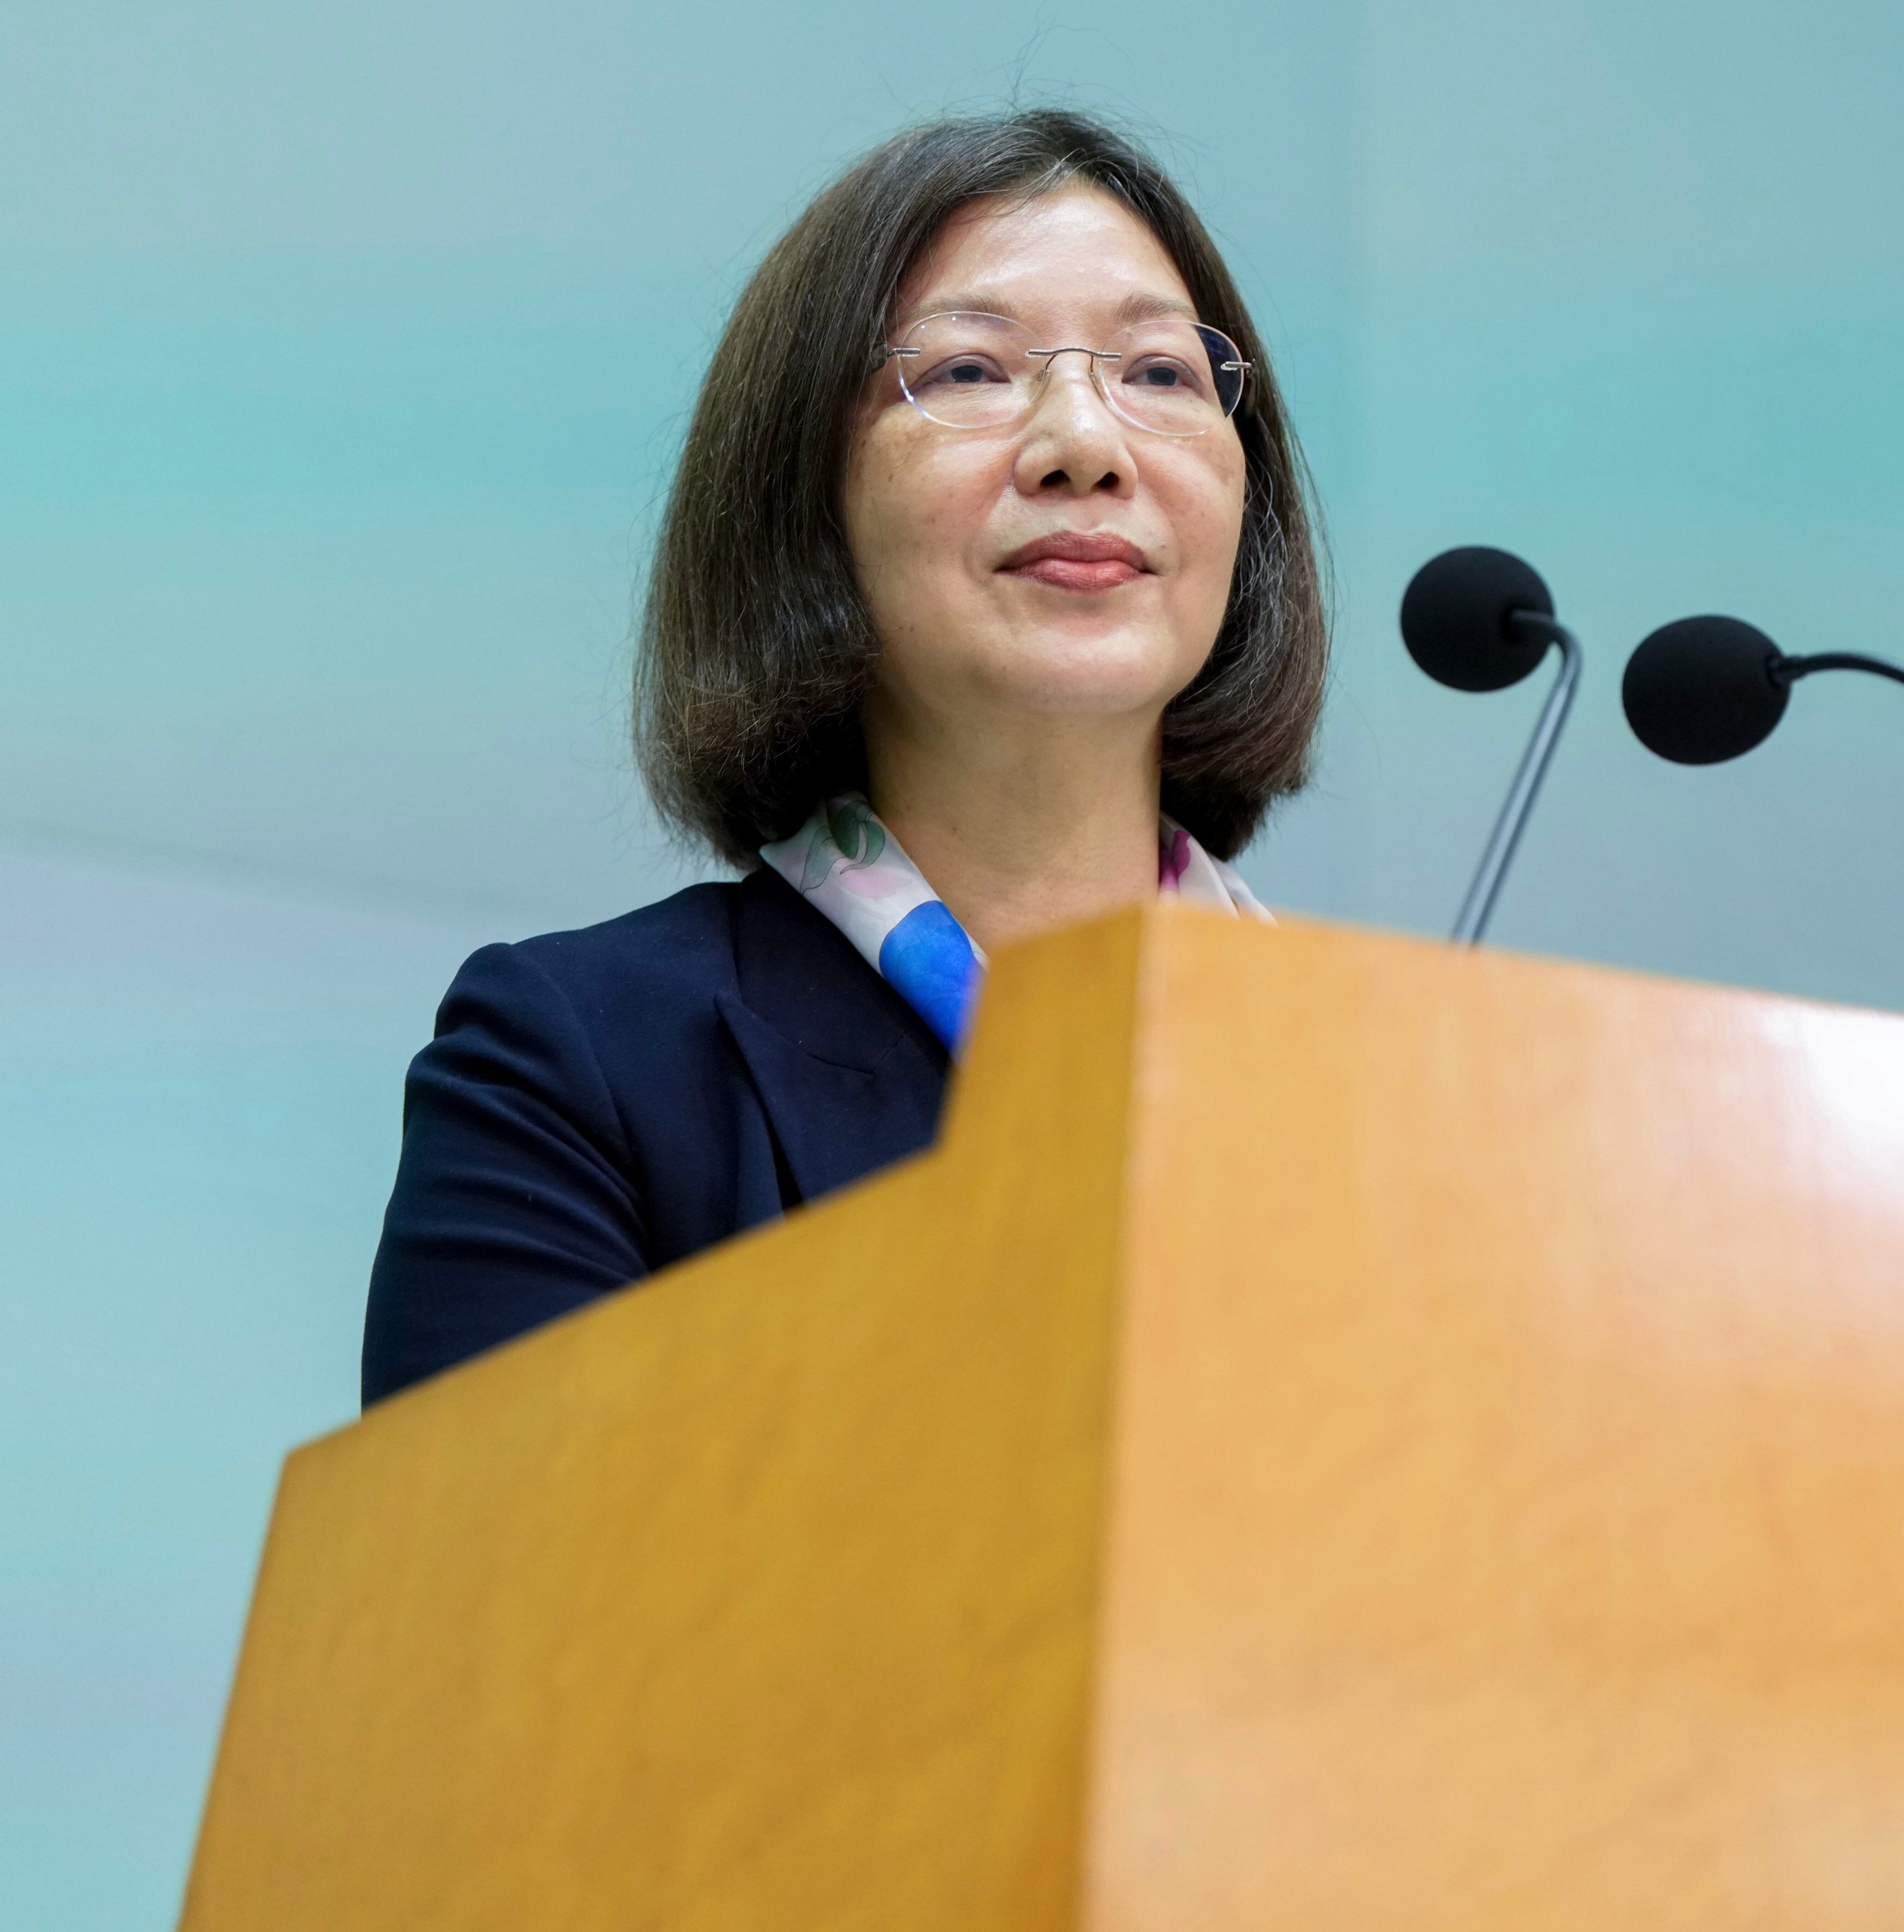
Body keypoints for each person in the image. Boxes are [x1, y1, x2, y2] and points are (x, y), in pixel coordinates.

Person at [360, 110, 1327, 1405]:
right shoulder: (581, 1065)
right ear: (808, 501)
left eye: (1160, 375)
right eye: (973, 371)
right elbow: (486, 1604)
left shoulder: (1401, 1094)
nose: (1086, 446)